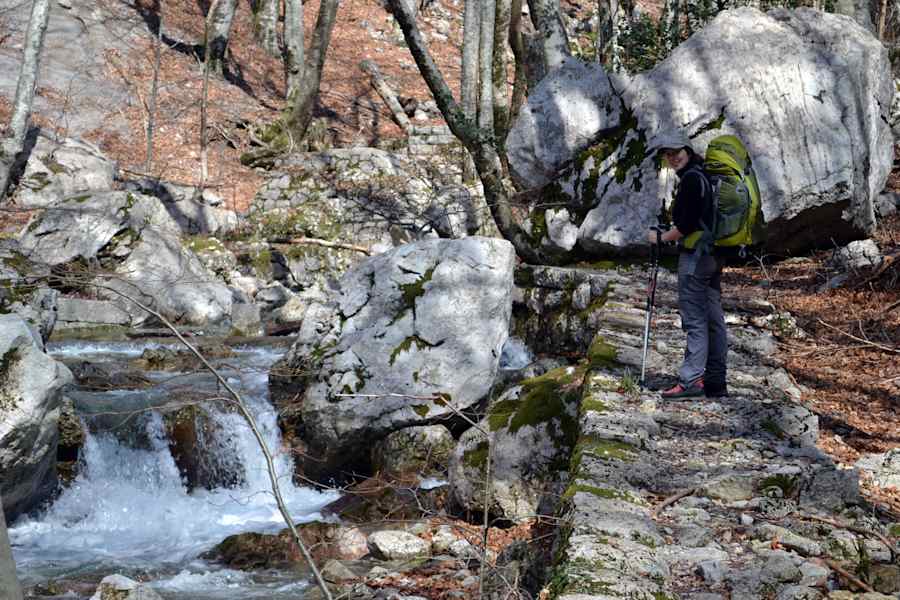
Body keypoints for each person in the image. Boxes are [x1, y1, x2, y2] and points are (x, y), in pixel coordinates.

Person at [649, 134, 728, 399]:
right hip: (714, 255)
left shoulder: (692, 179)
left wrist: (660, 237)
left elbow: (686, 226)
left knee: (694, 319)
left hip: (696, 257)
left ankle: (692, 380)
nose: (672, 158)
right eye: (668, 154)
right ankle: (716, 381)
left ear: (688, 150)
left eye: (676, 152)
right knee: (714, 319)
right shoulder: (704, 174)